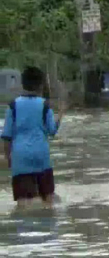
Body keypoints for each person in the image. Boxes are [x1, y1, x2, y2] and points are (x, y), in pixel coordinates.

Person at [2, 67, 66, 209]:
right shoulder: (45, 105)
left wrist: (9, 158)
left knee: (24, 201)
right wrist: (60, 114)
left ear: (22, 85)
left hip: (20, 157)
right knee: (48, 197)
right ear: (41, 85)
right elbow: (52, 131)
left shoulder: (13, 106)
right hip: (41, 157)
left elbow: (6, 137)